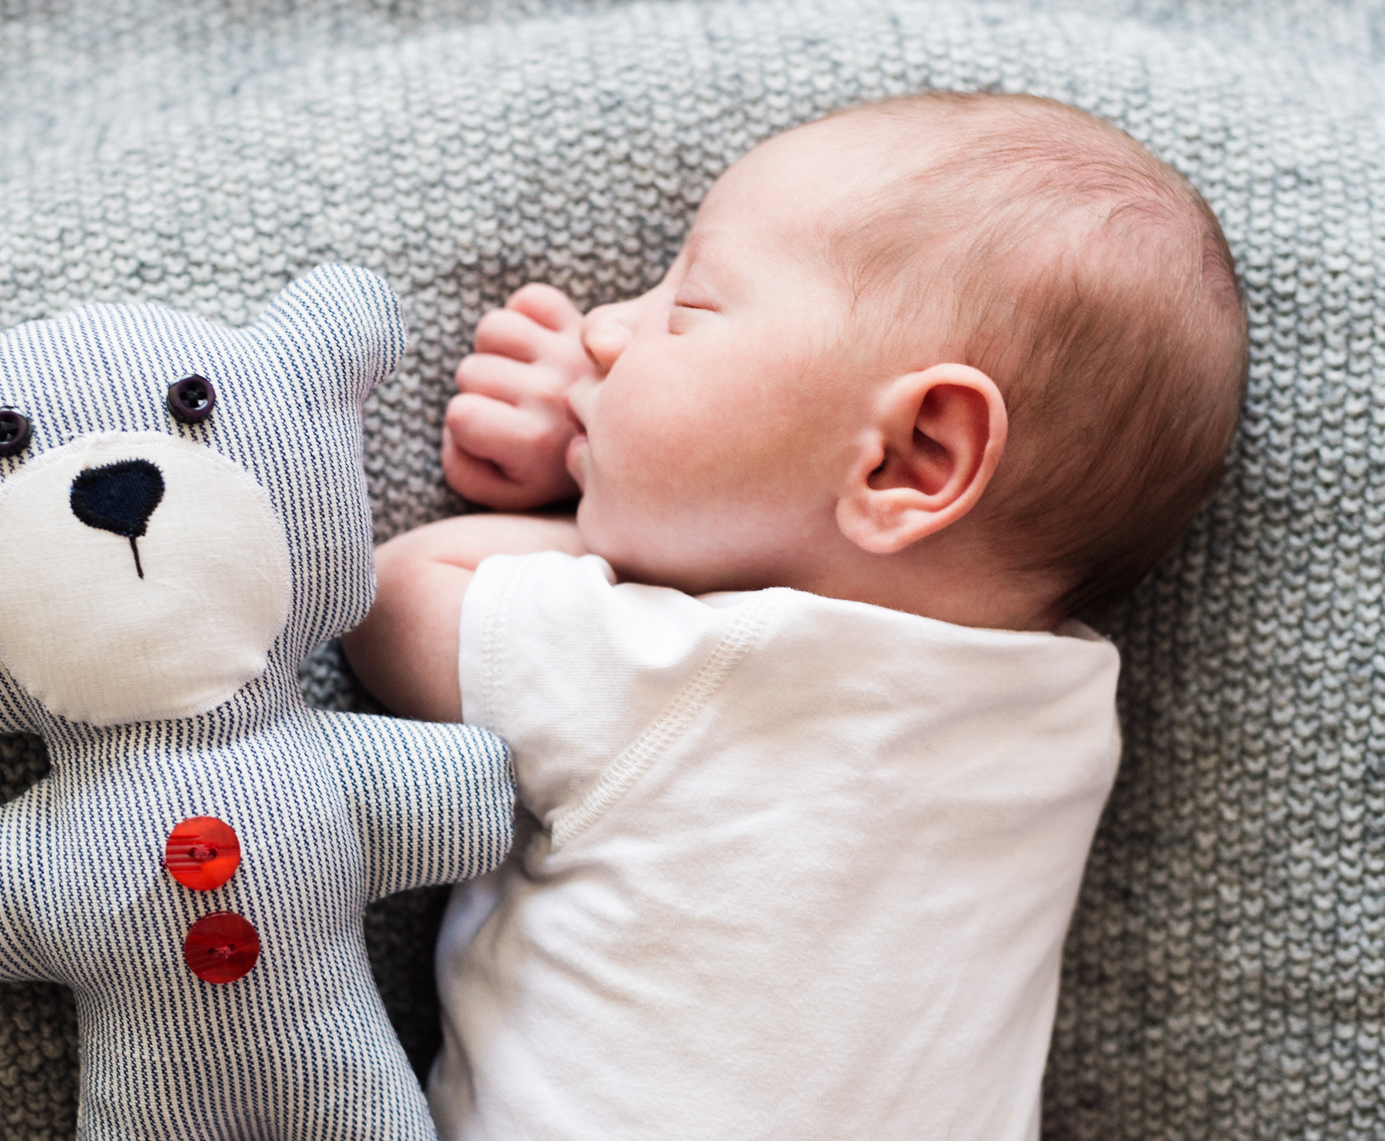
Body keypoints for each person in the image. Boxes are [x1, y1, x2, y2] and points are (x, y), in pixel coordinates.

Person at [341, 91, 1249, 1138]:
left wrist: (581, 486)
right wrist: (628, 453)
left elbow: (396, 595)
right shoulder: (1061, 712)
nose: (602, 329)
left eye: (687, 308)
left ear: (911, 457)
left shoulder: (686, 667)